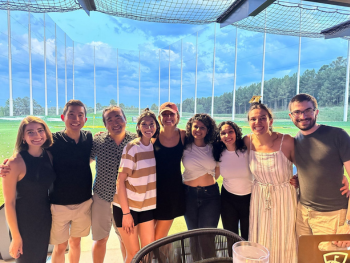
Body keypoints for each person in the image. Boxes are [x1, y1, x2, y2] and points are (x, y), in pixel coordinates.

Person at [289, 93, 350, 249]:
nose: (302, 116)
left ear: (316, 111)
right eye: (297, 112)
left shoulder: (338, 135)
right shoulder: (297, 139)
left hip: (333, 217)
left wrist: (348, 225)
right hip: (303, 214)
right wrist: (298, 178)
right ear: (291, 116)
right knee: (305, 259)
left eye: (307, 110)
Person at [244, 101, 297, 263]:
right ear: (248, 122)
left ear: (270, 121)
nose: (257, 122)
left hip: (284, 198)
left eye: (262, 118)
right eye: (253, 119)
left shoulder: (286, 141)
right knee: (261, 237)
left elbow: (306, 165)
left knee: (285, 237)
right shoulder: (247, 141)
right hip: (259, 198)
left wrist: (300, 178)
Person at [2, 116, 56, 262]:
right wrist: (16, 236)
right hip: (23, 223)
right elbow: (9, 203)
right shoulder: (14, 163)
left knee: (40, 258)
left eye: (40, 130)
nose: (37, 135)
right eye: (30, 132)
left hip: (44, 219)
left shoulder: (49, 156)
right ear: (23, 137)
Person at [113, 108, 160, 263]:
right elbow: (120, 181)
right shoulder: (132, 147)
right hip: (126, 208)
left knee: (148, 251)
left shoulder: (154, 146)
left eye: (151, 124)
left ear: (156, 126)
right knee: (133, 254)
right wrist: (126, 214)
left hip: (146, 206)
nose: (148, 128)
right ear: (138, 126)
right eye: (144, 124)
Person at [90, 105, 136, 263]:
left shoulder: (136, 141)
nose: (115, 122)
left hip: (127, 200)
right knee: (100, 239)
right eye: (110, 119)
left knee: (126, 240)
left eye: (118, 117)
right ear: (105, 124)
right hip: (102, 197)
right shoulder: (97, 141)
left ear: (125, 120)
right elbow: (81, 161)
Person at [213, 121, 252, 240]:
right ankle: (232, 259)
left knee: (248, 235)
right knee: (231, 235)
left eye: (230, 131)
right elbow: (214, 175)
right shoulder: (218, 154)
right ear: (219, 136)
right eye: (223, 133)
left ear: (236, 133)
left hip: (249, 198)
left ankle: (247, 259)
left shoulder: (247, 150)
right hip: (228, 199)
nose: (227, 136)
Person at [152, 102, 186, 240]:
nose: (168, 117)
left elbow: (204, 140)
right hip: (152, 191)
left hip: (172, 193)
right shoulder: (152, 135)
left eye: (171, 114)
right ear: (159, 118)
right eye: (164, 114)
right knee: (148, 238)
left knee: (159, 237)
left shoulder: (184, 135)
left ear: (177, 116)